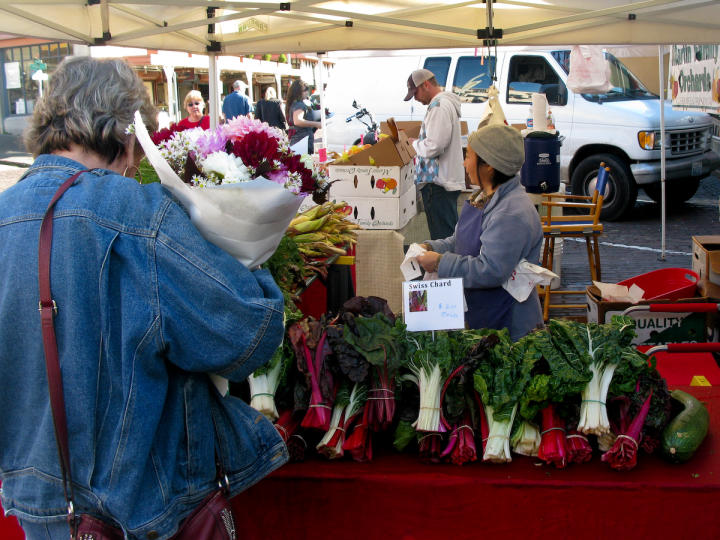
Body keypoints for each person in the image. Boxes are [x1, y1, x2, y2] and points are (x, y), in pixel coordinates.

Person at [0, 57, 287, 538]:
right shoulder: (138, 213)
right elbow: (247, 336)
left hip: (37, 508)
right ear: (128, 134)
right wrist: (247, 261)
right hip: (141, 511)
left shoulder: (5, 213)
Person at [415, 123, 544, 341]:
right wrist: (433, 247)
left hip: (508, 327)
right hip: (482, 314)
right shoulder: (483, 197)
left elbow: (490, 270)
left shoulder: (511, 213)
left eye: (469, 156)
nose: (464, 163)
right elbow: (460, 240)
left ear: (489, 165)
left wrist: (440, 262)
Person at [404, 68, 465, 240]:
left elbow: (435, 146)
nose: (415, 98)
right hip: (443, 182)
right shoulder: (443, 104)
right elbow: (436, 140)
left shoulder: (439, 106)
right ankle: (449, 265)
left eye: (415, 93)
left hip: (438, 184)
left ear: (426, 85)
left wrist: (414, 144)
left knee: (442, 239)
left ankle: (445, 267)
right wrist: (420, 141)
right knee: (448, 237)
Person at [285, 79, 321, 154]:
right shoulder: (299, 104)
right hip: (302, 141)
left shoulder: (295, 103)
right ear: (298, 92)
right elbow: (298, 121)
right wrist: (316, 124)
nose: (307, 92)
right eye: (305, 90)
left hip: (299, 140)